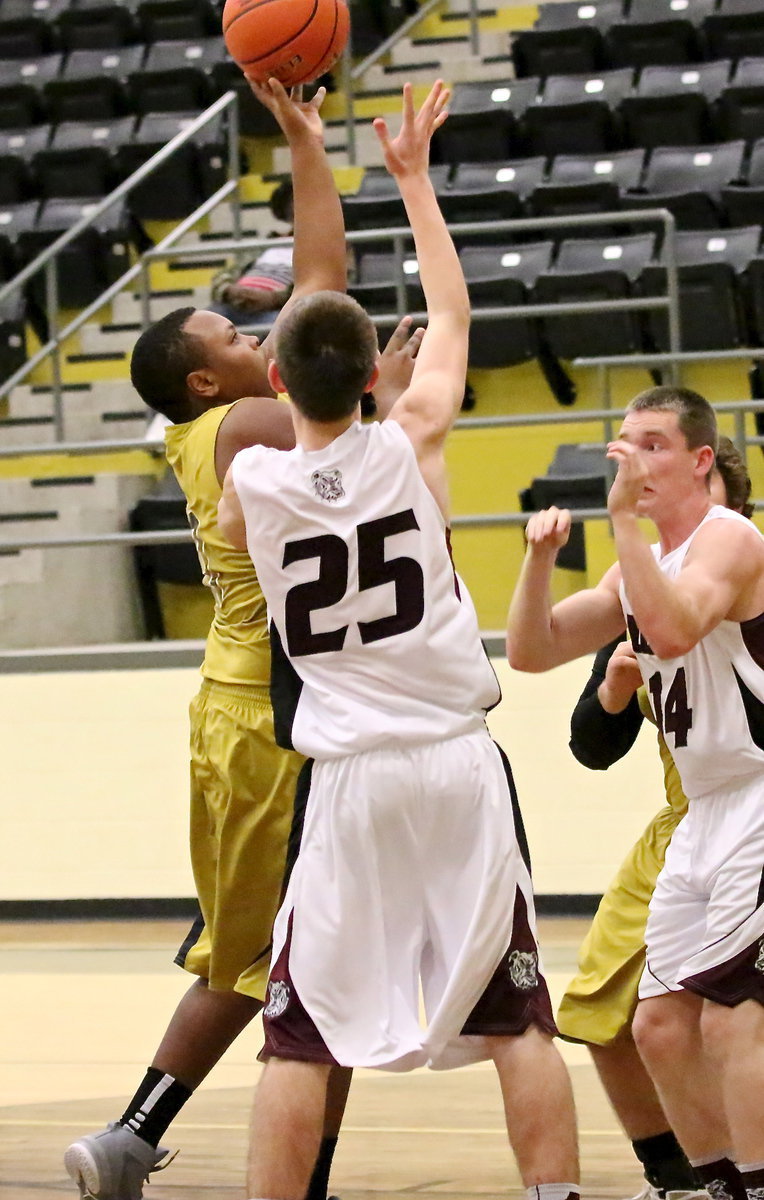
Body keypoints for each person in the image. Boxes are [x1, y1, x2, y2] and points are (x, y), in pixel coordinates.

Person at [218, 79, 580, 1200]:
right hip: (454, 761)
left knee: (297, 1035)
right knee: (517, 1015)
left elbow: (307, 381)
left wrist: (298, 143)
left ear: (276, 383)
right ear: (380, 375)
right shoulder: (410, 437)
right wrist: (415, 182)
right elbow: (453, 319)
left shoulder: (252, 481)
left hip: (349, 778)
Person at [63, 77, 423, 1200]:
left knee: (288, 948)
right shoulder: (236, 426)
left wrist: (304, 146)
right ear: (206, 377)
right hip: (266, 721)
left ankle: (138, 1140)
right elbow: (331, 351)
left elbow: (319, 291)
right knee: (289, 956)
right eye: (233, 328)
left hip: (261, 715)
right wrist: (389, 396)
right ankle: (157, 1145)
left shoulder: (232, 414)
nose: (259, 327)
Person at [506, 386, 764, 1200]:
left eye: (652, 443)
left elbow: (678, 628)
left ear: (698, 461)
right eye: (623, 442)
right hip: (700, 815)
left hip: (758, 795)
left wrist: (622, 524)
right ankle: (717, 1184)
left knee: (733, 1019)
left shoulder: (732, 537)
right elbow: (532, 651)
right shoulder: (636, 567)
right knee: (655, 1025)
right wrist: (540, 560)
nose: (631, 458)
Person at [210, 179, 295, 327]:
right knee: (200, 327)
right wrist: (230, 290)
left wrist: (274, 298)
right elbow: (222, 276)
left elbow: (319, 285)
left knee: (282, 330)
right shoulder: (267, 243)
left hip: (278, 311)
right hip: (234, 305)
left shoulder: (324, 244)